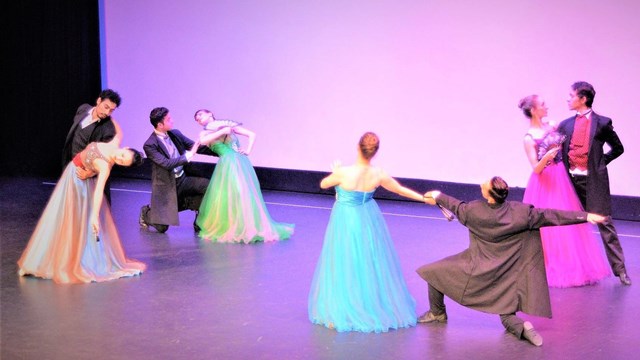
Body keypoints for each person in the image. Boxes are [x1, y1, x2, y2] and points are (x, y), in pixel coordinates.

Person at [416, 176, 606, 346]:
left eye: (485, 184)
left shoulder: (474, 211)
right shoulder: (520, 213)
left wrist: (438, 195)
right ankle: (522, 327)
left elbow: (456, 205)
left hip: (475, 267)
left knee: (433, 272)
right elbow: (551, 215)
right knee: (506, 313)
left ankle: (437, 313)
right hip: (506, 273)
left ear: (489, 196)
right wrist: (585, 216)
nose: (482, 183)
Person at [308, 132, 424, 333]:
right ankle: (368, 302)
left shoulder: (343, 172)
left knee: (344, 260)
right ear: (375, 152)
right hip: (367, 218)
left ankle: (342, 309)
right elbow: (400, 190)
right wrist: (423, 198)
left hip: (345, 219)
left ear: (357, 147)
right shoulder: (378, 174)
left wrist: (335, 172)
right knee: (368, 260)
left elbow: (323, 184)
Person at [18, 119, 146, 284]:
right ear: (125, 148)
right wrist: (110, 115)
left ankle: (69, 261)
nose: (118, 159)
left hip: (80, 185)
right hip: (72, 174)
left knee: (73, 222)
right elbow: (119, 132)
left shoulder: (105, 167)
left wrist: (94, 216)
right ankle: (37, 261)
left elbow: (99, 191)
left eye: (122, 162)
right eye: (122, 156)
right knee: (57, 217)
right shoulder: (115, 143)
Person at [518, 94, 610, 287]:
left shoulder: (551, 127)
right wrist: (547, 157)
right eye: (542, 104)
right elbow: (535, 167)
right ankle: (548, 264)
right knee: (547, 225)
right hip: (544, 182)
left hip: (560, 178)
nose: (546, 107)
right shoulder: (529, 138)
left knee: (568, 222)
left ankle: (573, 265)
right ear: (534, 110)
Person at [557, 81, 630, 286]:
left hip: (593, 181)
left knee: (604, 222)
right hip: (571, 182)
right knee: (569, 223)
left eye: (571, 95)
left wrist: (599, 163)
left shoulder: (603, 123)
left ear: (583, 99)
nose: (567, 99)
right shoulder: (566, 124)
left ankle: (620, 270)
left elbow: (618, 148)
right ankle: (573, 269)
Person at [193, 109, 294, 243]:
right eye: (196, 118)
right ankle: (232, 225)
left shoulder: (229, 126)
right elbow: (204, 141)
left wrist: (248, 150)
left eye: (200, 114)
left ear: (210, 113)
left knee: (243, 193)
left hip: (239, 162)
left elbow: (252, 134)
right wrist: (222, 131)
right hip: (227, 163)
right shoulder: (205, 133)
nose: (198, 118)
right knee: (228, 195)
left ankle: (248, 226)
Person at [139, 107, 217, 233]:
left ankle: (200, 220)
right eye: (169, 119)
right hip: (167, 185)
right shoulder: (150, 145)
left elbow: (196, 147)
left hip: (183, 178)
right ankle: (147, 212)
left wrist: (221, 152)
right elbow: (167, 164)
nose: (172, 121)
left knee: (207, 186)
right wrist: (188, 155)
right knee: (162, 228)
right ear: (160, 124)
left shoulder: (175, 133)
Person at [62, 89, 123, 201]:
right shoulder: (83, 109)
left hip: (86, 172)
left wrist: (90, 173)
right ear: (99, 100)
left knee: (87, 210)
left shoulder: (108, 129)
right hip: (71, 166)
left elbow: (106, 159)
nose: (107, 113)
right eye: (106, 107)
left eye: (111, 110)